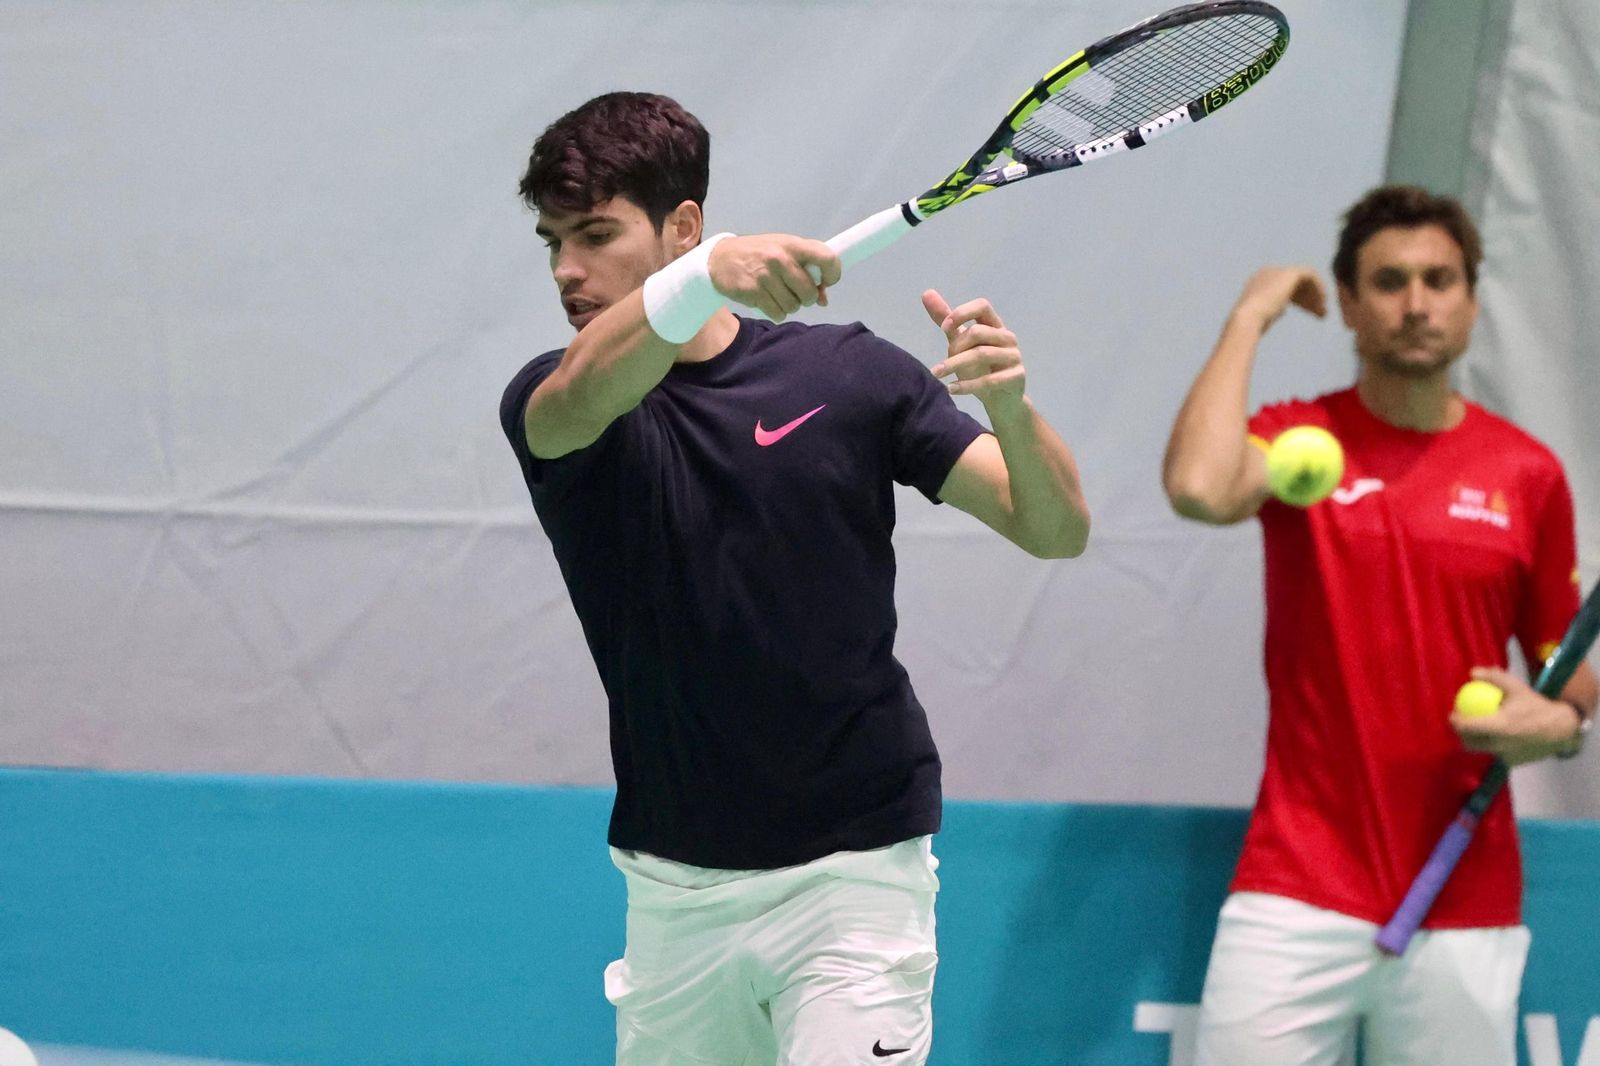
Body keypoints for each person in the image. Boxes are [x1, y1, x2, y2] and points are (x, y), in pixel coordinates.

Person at [499, 91, 1090, 1065]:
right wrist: (703, 275)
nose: (567, 268)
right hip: (674, 884)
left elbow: (1051, 525)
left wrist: (1014, 410)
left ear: (680, 223)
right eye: (552, 240)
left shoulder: (848, 375)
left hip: (852, 875)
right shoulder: (556, 400)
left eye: (596, 234)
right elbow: (584, 391)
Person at [1162, 184, 1599, 1066]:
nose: (1416, 303)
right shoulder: (1299, 443)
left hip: (1464, 897)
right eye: (1389, 282)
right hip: (1295, 887)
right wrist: (1250, 315)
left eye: (1439, 279)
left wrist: (1556, 722)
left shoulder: (1528, 474)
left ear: (1471, 300)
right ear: (1351, 305)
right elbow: (1200, 488)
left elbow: (1570, 674)